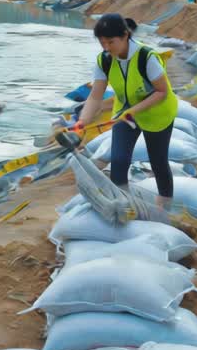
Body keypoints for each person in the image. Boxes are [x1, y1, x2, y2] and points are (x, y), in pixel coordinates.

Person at [74, 14, 178, 208]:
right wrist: (82, 122)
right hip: (126, 113)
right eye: (102, 42)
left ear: (125, 36)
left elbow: (162, 91)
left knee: (158, 162)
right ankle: (124, 204)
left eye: (110, 42)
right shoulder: (104, 60)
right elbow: (96, 95)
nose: (106, 47)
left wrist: (133, 111)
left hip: (157, 113)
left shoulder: (147, 57)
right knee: (119, 160)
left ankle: (165, 207)